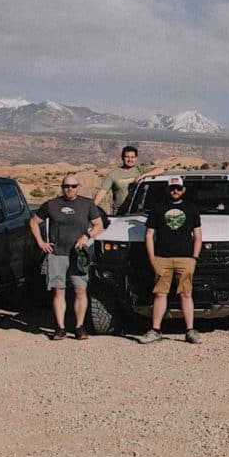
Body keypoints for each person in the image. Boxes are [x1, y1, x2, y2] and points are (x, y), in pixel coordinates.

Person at [29, 174, 104, 341]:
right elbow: (33, 222)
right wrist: (41, 242)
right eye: (66, 186)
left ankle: (79, 327)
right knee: (58, 291)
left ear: (78, 187)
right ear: (61, 187)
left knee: (80, 290)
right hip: (57, 254)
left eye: (73, 186)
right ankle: (60, 328)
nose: (70, 189)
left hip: (79, 255)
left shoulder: (87, 204)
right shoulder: (52, 204)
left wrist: (86, 236)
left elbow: (99, 225)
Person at [137, 176, 203, 344]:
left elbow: (198, 235)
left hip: (185, 258)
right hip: (162, 257)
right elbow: (149, 235)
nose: (176, 191)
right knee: (160, 294)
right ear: (167, 190)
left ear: (184, 190)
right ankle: (156, 329)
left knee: (186, 293)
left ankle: (190, 330)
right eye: (173, 188)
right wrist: (152, 258)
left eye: (179, 188)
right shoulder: (158, 208)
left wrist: (194, 258)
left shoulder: (192, 209)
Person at [93, 145, 163, 215]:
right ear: (122, 158)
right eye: (127, 157)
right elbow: (102, 191)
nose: (130, 160)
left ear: (136, 158)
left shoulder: (140, 170)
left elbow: (160, 170)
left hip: (138, 211)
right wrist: (91, 209)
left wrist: (143, 175)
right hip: (119, 212)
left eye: (132, 157)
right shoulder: (113, 174)